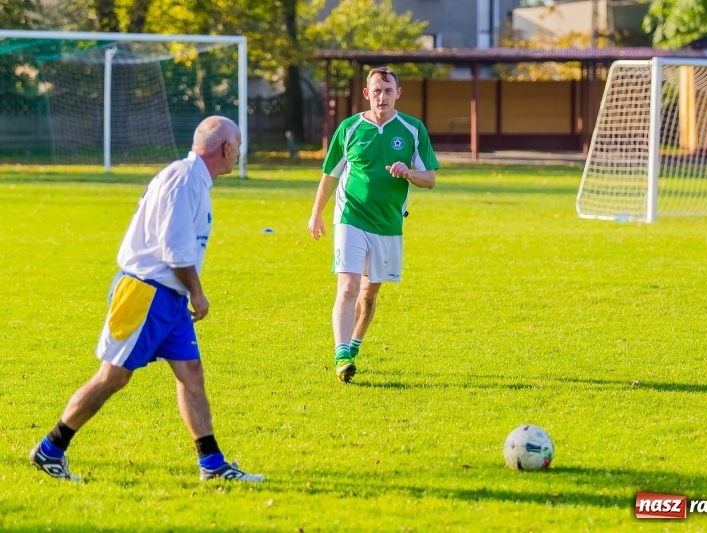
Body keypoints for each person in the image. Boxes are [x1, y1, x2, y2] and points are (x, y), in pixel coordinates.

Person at [29, 116, 263, 483]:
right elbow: (174, 249)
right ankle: (50, 448)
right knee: (113, 377)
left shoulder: (195, 180)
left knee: (191, 373)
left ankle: (212, 464)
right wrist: (198, 294)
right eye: (239, 146)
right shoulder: (185, 179)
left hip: (167, 296)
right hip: (146, 293)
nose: (240, 154)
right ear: (226, 148)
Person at [308, 66, 439, 383]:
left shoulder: (412, 129)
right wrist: (316, 213)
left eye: (388, 90)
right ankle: (341, 355)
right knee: (349, 287)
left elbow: (430, 179)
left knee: (368, 295)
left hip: (389, 223)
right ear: (367, 94)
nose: (382, 96)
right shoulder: (350, 128)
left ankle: (353, 346)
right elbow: (330, 175)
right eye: (376, 91)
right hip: (350, 218)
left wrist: (408, 172)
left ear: (398, 93)